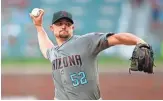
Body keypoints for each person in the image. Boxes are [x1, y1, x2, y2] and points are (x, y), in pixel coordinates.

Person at [30, 10, 147, 100]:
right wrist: (39, 27)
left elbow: (116, 38)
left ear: (72, 27)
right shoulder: (54, 52)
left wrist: (139, 41)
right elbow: (46, 47)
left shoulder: (86, 41)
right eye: (59, 23)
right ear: (52, 28)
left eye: (67, 23)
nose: (64, 26)